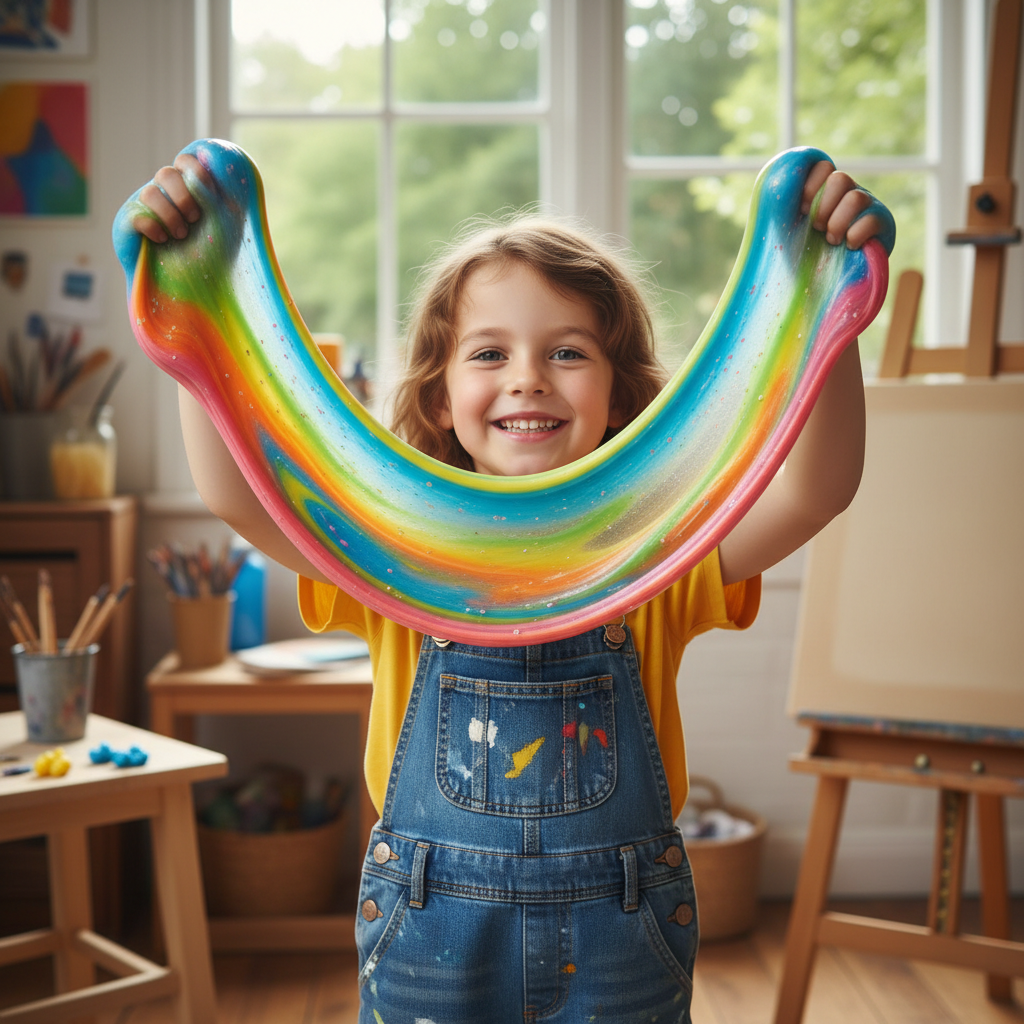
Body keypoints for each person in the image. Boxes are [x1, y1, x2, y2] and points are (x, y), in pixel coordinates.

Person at [133, 153, 886, 1023]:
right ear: (443, 397)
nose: (528, 376)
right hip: (429, 930)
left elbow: (813, 490)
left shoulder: (654, 555)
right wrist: (201, 306)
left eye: (568, 351)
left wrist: (826, 311)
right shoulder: (392, 550)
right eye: (490, 353)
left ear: (619, 394)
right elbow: (237, 492)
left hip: (621, 935)